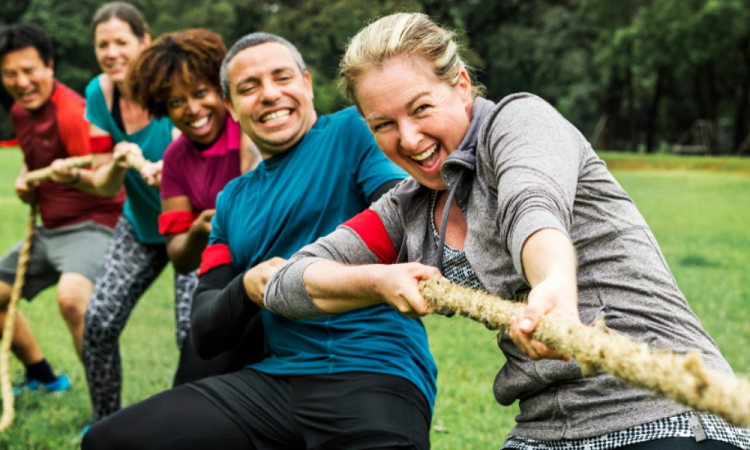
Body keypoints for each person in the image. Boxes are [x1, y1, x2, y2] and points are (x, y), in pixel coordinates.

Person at [262, 13, 750, 450]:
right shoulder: (407, 208)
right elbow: (289, 283)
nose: (407, 138)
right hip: (544, 431)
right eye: (383, 123)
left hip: (665, 412)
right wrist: (377, 282)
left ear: (462, 84)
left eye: (421, 108)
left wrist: (553, 284)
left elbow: (532, 206)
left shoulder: (518, 123)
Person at [83, 32, 435, 450]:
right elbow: (205, 330)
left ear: (306, 84)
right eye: (248, 87)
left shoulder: (352, 132)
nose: (269, 94)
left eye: (281, 78)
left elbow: (407, 221)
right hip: (274, 384)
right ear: (231, 107)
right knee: (108, 442)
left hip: (373, 372)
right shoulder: (232, 200)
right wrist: (248, 286)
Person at [80, 2, 194, 422]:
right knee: (98, 323)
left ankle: (192, 427)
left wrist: (175, 165)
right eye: (102, 44)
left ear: (144, 42)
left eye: (120, 42)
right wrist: (119, 160)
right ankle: (105, 424)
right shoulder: (99, 93)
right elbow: (101, 182)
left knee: (192, 335)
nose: (111, 52)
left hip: (193, 226)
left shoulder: (171, 84)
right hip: (142, 225)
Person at [127, 28, 262, 385]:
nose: (192, 109)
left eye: (201, 93)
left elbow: (258, 186)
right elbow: (180, 257)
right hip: (223, 273)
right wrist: (200, 230)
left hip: (273, 268)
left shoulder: (246, 125)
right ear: (162, 107)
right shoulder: (175, 159)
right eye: (175, 102)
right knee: (194, 376)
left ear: (222, 90)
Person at [0, 23, 125, 394]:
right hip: (49, 229)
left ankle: (107, 410)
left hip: (93, 224)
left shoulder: (74, 113)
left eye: (29, 70)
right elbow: (37, 158)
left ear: (49, 66)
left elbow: (106, 181)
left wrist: (68, 179)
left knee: (72, 299)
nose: (21, 82)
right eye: (10, 73)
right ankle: (44, 378)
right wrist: (27, 178)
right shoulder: (22, 113)